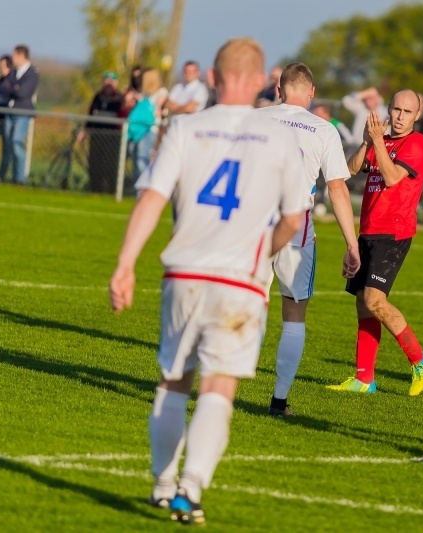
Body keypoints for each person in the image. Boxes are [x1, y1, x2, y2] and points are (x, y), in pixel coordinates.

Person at [109, 37, 309, 525]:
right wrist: (265, 247)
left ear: (214, 80)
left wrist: (125, 264)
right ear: (264, 81)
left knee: (174, 381)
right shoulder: (282, 139)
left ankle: (161, 484)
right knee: (219, 387)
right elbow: (295, 217)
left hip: (184, 273)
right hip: (240, 281)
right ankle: (191, 488)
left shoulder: (185, 126)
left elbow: (152, 198)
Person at [255, 63, 359, 416]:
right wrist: (352, 243)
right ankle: (278, 402)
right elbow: (337, 189)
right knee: (293, 315)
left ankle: (223, 383)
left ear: (280, 89)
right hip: (297, 230)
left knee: (249, 302)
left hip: (254, 224)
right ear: (311, 93)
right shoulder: (323, 129)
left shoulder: (258, 117)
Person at [327, 89, 423, 396]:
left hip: (394, 233)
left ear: (417, 116)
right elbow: (349, 169)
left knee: (375, 300)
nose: (400, 117)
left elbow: (391, 178)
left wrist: (376, 142)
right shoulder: (379, 142)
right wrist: (366, 139)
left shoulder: (417, 144)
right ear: (388, 110)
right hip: (369, 230)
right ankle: (364, 379)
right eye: (396, 110)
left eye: (407, 112)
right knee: (363, 304)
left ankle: (420, 360)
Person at [78, 71, 123, 193]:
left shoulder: (119, 98)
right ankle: (95, 189)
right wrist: (84, 131)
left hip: (112, 137)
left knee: (109, 166)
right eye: (106, 80)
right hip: (97, 135)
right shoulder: (98, 97)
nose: (108, 84)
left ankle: (110, 191)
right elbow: (91, 116)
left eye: (111, 81)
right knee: (95, 164)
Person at [3, 44, 39, 184]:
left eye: (14, 55)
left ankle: (20, 179)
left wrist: (14, 88)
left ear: (20, 55)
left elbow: (23, 93)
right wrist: (14, 88)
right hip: (10, 112)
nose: (12, 58)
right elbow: (5, 88)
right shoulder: (14, 72)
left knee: (17, 143)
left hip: (22, 113)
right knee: (9, 145)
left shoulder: (32, 73)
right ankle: (9, 176)